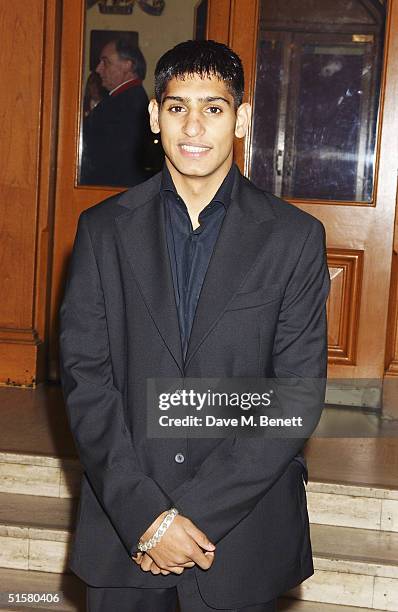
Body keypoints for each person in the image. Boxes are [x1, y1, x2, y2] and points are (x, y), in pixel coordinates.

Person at [59, 39, 330, 612]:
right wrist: (147, 518)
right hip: (124, 534)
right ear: (155, 116)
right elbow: (87, 380)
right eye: (178, 106)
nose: (194, 126)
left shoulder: (294, 238)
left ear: (241, 119)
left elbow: (295, 395)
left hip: (240, 536)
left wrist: (191, 518)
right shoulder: (101, 232)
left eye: (214, 107)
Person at [80, 36, 150, 187]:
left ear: (127, 65)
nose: (98, 69)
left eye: (105, 62)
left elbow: (106, 164)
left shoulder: (125, 106)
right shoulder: (126, 100)